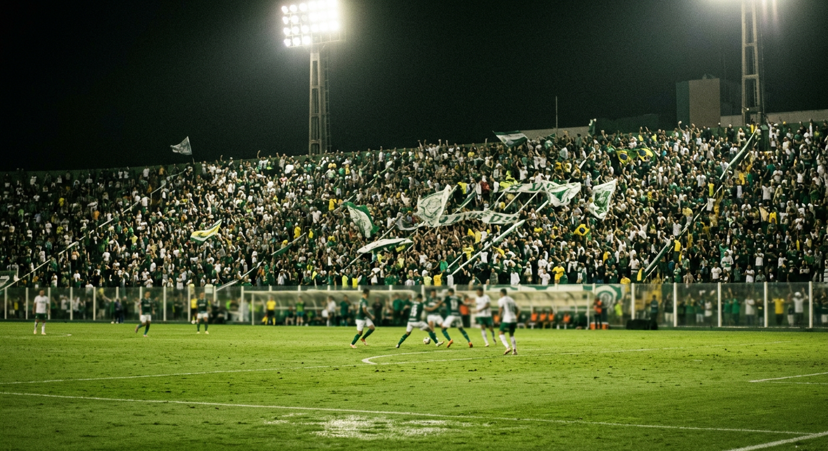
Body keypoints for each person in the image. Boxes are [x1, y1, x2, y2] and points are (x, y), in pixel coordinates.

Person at [497, 288, 520, 355]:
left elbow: (501, 309)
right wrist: (516, 317)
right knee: (511, 334)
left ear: (501, 293)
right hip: (513, 319)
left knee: (500, 333)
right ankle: (515, 350)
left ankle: (507, 347)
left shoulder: (501, 300)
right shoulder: (511, 299)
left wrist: (498, 318)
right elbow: (518, 309)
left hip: (507, 319)